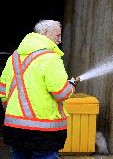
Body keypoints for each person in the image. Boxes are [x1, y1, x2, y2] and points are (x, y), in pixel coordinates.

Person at [0, 20, 76, 158]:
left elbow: (3, 92)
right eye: (58, 35)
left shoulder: (14, 57)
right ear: (45, 33)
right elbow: (61, 93)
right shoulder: (50, 58)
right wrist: (71, 86)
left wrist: (12, 110)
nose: (60, 40)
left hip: (14, 130)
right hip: (42, 133)